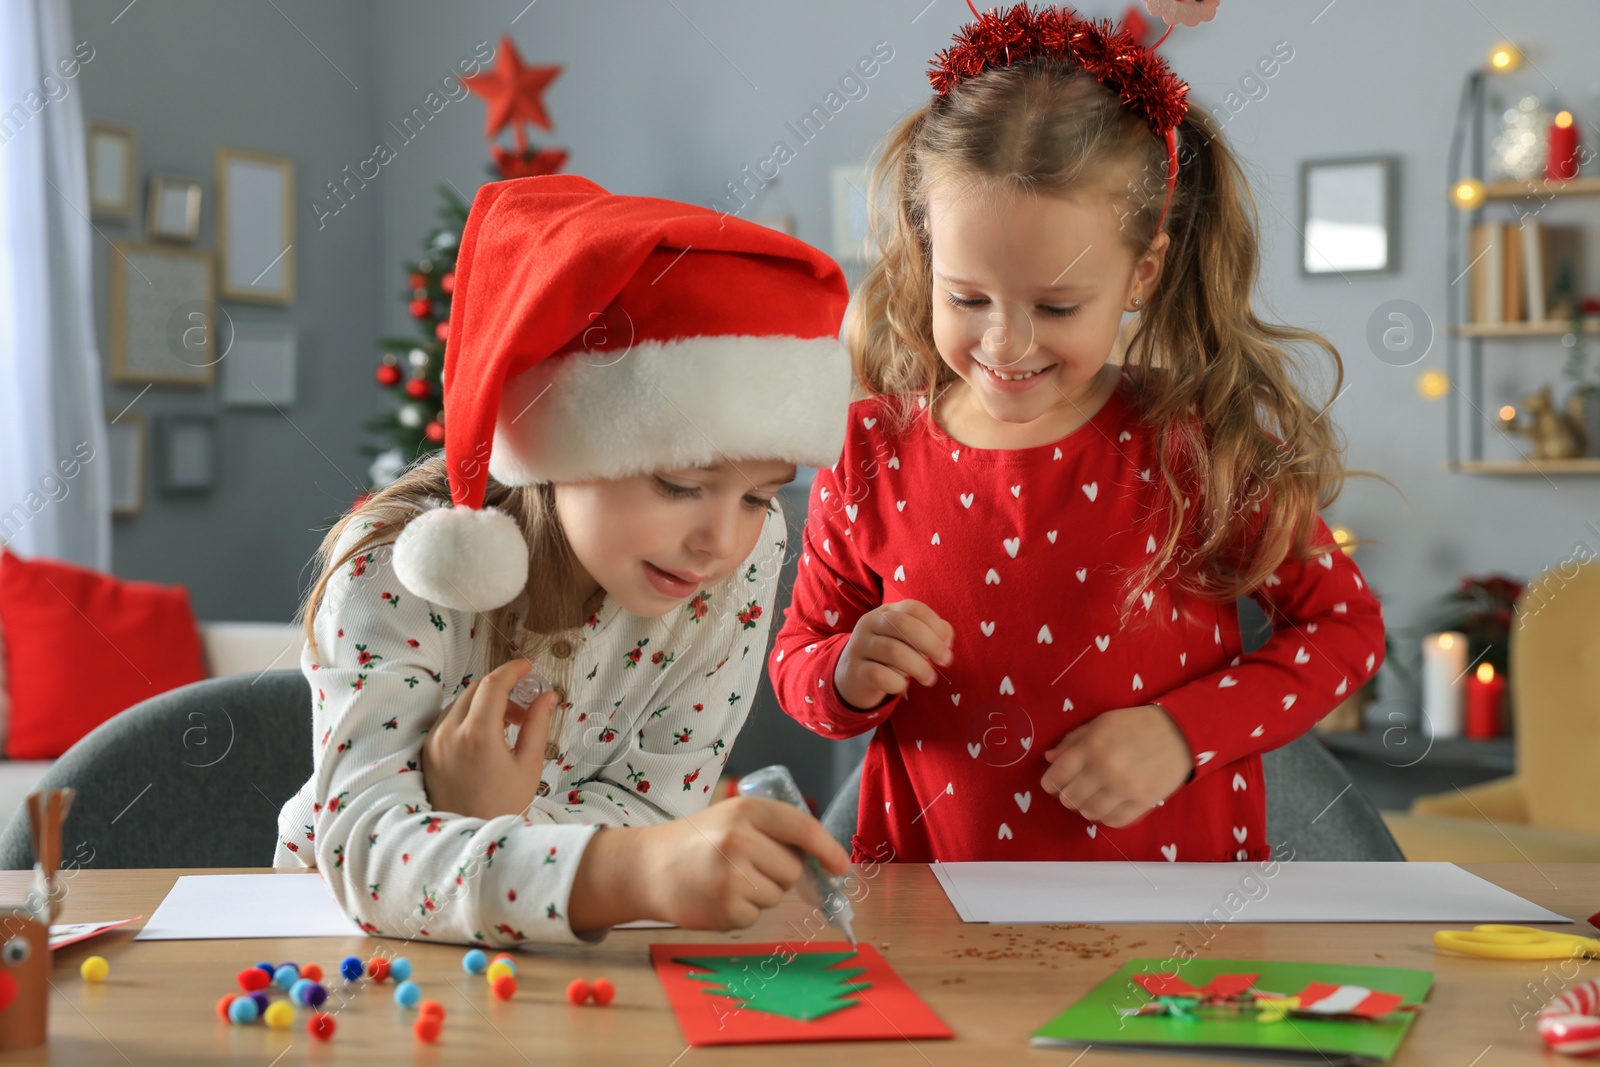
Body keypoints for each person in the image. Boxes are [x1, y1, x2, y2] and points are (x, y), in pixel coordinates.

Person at [769, 3, 1385, 864]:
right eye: (968, 298)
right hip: (927, 914)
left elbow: (1344, 627)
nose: (1005, 344)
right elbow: (799, 661)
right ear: (924, 253)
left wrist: (1182, 733)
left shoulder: (1193, 440)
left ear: (1142, 273)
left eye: (1057, 306)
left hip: (1173, 920)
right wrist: (842, 673)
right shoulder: (869, 449)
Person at [275, 174, 854, 947]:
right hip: (348, 958)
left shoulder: (741, 561)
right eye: (682, 484)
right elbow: (372, 857)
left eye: (760, 497)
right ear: (555, 441)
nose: (722, 539)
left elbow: (663, 809)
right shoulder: (396, 569)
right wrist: (632, 871)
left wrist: (489, 820)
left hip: (580, 957)